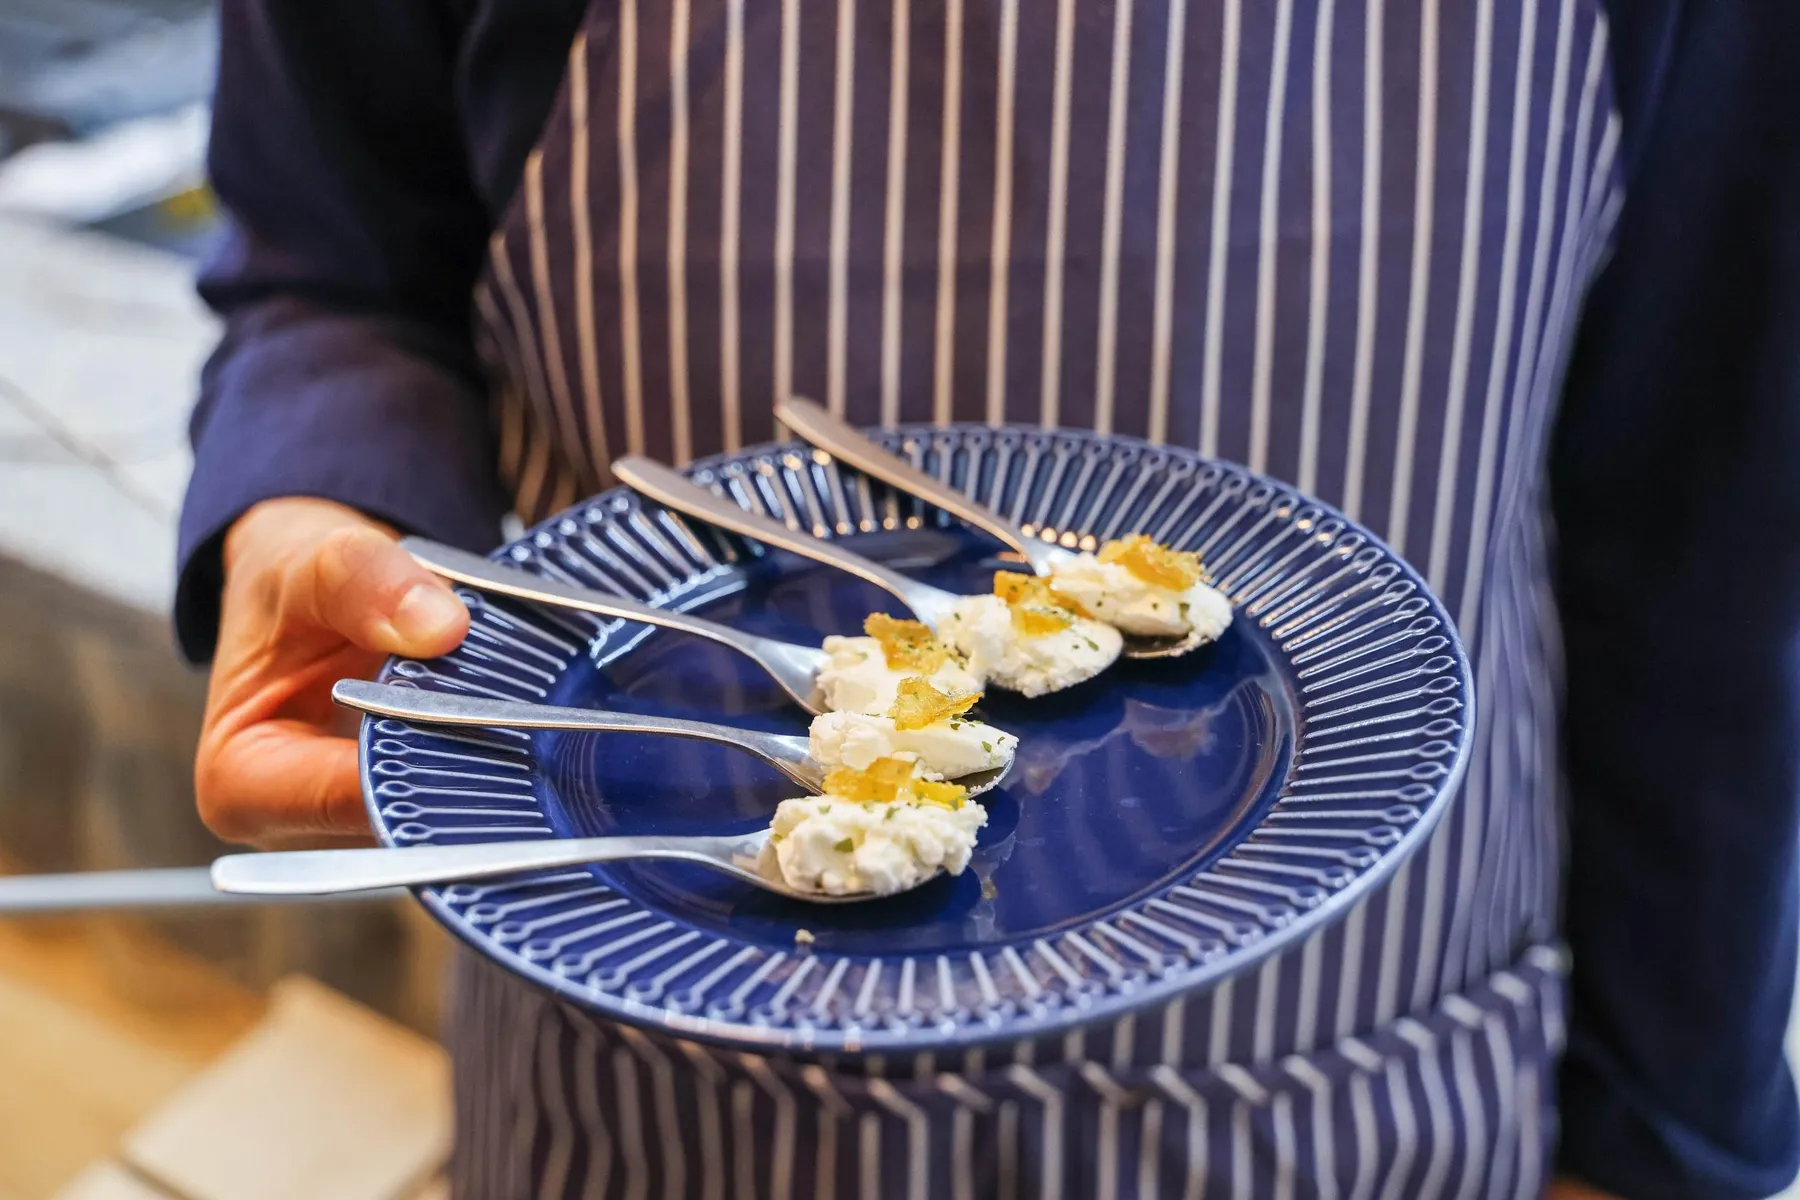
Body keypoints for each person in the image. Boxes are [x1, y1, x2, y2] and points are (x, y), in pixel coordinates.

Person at [177, 0, 1800, 1195]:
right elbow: (335, 260)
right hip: (664, 1097)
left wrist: (1669, 1148)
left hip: (1372, 1089)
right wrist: (333, 509)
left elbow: (1714, 507)